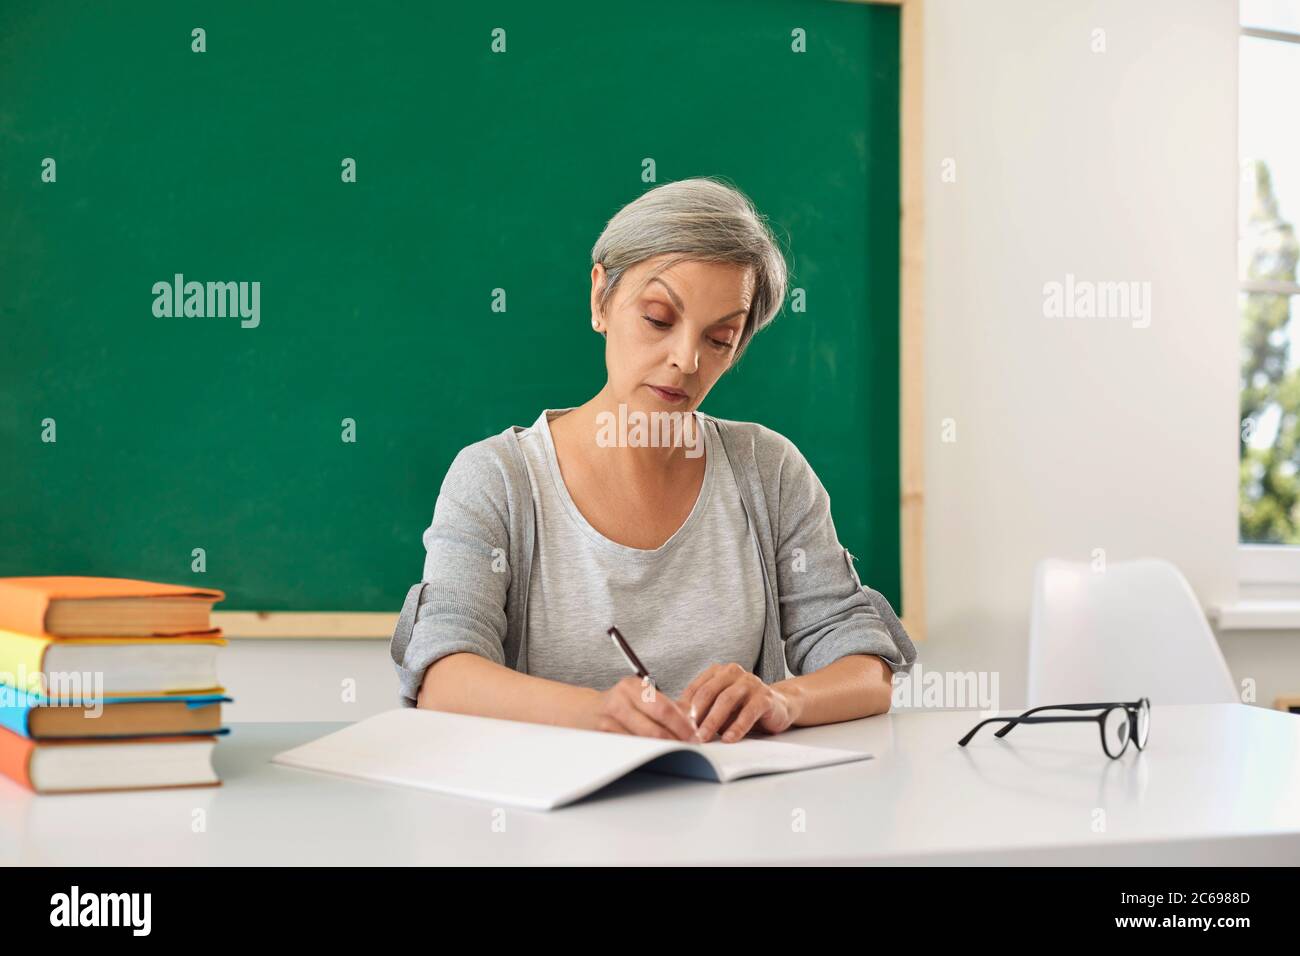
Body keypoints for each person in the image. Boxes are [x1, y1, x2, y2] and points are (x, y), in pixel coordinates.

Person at [390, 176, 916, 743]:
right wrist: (596, 715)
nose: (686, 360)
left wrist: (781, 698)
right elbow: (442, 677)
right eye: (659, 319)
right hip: (546, 823)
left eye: (720, 339)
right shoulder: (498, 479)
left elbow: (865, 667)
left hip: (732, 815)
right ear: (600, 299)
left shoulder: (769, 471)